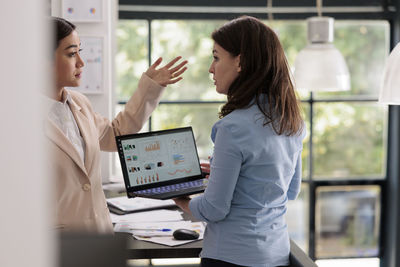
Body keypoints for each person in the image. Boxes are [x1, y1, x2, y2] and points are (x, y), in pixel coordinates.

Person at [173, 16, 305, 267]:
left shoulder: (233, 127)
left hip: (231, 258)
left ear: (240, 62)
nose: (211, 68)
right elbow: (289, 190)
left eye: (216, 57)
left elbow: (214, 209)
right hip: (276, 255)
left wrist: (182, 201)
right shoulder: (292, 122)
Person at [45, 17, 187, 233]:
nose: (81, 62)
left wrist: (149, 88)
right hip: (55, 246)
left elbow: (117, 133)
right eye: (72, 53)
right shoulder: (15, 121)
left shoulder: (79, 103)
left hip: (99, 236)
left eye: (80, 52)